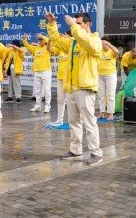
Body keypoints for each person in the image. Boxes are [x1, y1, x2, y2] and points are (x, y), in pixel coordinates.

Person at [47, 12, 103, 166]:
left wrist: (73, 26)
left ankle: (96, 152)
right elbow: (57, 40)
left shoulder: (95, 40)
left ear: (88, 23)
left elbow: (89, 45)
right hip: (72, 88)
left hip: (86, 88)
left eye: (80, 24)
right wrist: (52, 25)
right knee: (73, 121)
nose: (76, 26)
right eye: (75, 23)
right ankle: (75, 149)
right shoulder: (73, 43)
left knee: (89, 122)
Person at [23, 33, 52, 113]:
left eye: (41, 40)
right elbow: (28, 46)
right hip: (37, 71)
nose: (40, 41)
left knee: (47, 91)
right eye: (39, 40)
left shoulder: (48, 48)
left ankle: (47, 106)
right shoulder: (36, 48)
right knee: (37, 90)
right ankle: (37, 105)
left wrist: (43, 37)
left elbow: (49, 40)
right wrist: (24, 39)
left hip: (46, 71)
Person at [48, 34, 71, 123]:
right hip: (60, 77)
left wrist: (67, 38)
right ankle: (59, 119)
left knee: (70, 101)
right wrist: (50, 40)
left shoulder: (72, 48)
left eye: (65, 35)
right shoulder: (61, 49)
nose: (63, 36)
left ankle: (71, 120)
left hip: (69, 78)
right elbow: (50, 49)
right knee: (60, 100)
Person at [97, 38, 119, 120]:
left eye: (106, 44)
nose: (104, 46)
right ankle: (101, 113)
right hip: (100, 75)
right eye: (103, 44)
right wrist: (100, 43)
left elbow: (117, 52)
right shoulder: (99, 51)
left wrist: (109, 44)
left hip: (110, 75)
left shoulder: (112, 51)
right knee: (101, 95)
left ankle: (110, 114)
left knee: (110, 95)